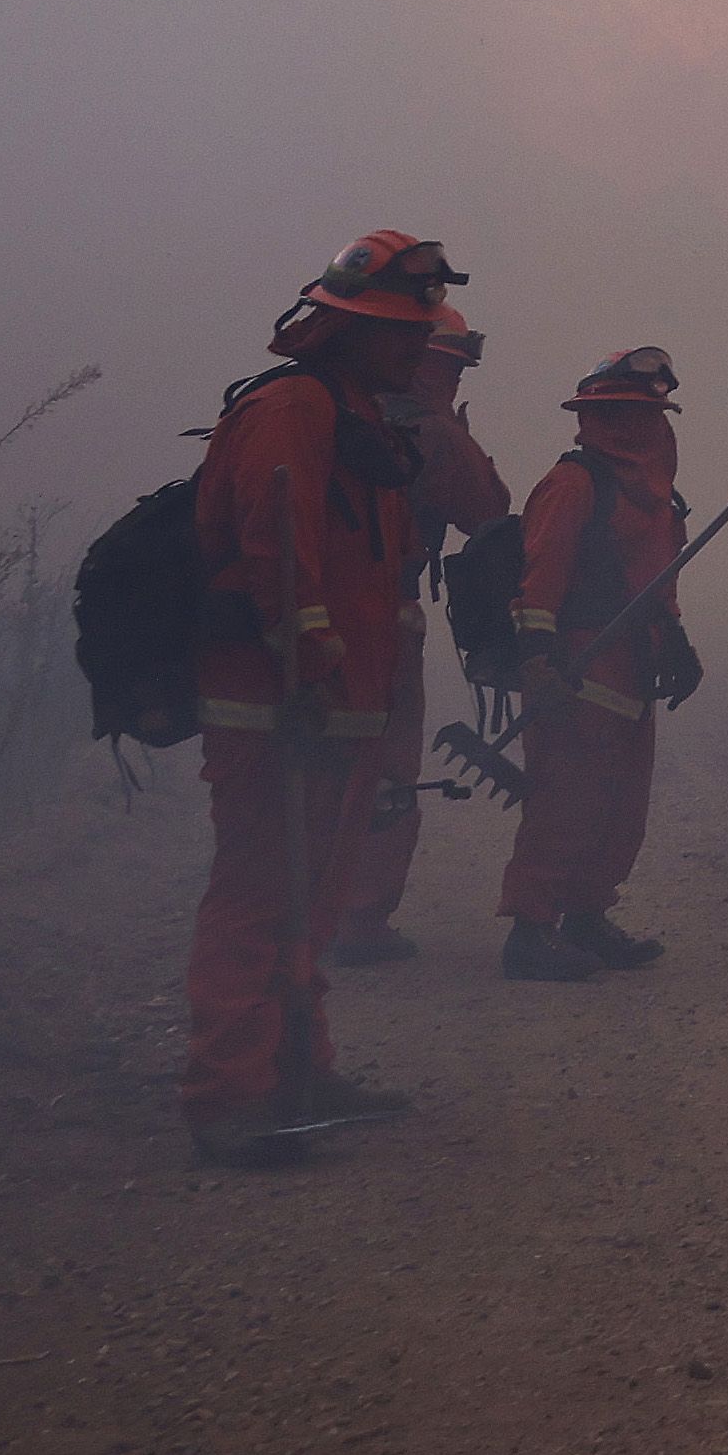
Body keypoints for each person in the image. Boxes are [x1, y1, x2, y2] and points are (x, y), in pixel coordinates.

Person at [182, 229, 464, 1166]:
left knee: (312, 899)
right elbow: (277, 541)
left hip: (335, 704)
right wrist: (307, 656)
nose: (417, 344)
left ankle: (300, 1069)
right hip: (277, 705)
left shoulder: (353, 412)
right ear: (347, 328)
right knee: (261, 894)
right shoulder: (293, 407)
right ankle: (230, 1097)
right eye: (398, 327)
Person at [496, 348, 701, 983]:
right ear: (597, 415)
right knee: (565, 802)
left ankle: (587, 916)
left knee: (619, 806)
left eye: (650, 414)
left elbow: (657, 583)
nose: (642, 427)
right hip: (577, 672)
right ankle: (531, 931)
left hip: (632, 671)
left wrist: (678, 643)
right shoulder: (573, 484)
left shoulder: (658, 499)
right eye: (625, 413)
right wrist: (538, 660)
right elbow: (540, 579)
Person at [332, 315, 511, 966]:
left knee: (312, 757)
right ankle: (358, 918)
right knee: (383, 763)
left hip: (300, 613)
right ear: (439, 364)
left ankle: (293, 910)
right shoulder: (430, 428)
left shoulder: (325, 408)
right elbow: (488, 507)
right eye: (457, 365)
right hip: (385, 614)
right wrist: (459, 433)